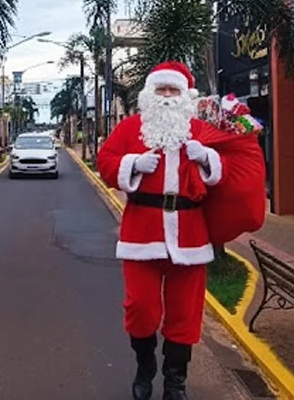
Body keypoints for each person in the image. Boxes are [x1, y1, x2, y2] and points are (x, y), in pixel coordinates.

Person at [97, 62, 226, 400]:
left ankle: (175, 380)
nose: (167, 97)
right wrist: (132, 164)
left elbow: (230, 171)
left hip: (190, 236)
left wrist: (209, 158)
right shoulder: (130, 129)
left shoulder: (199, 130)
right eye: (161, 90)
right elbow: (106, 161)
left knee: (185, 313)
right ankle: (144, 366)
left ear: (185, 96)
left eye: (174, 90)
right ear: (149, 94)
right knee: (140, 308)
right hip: (142, 233)